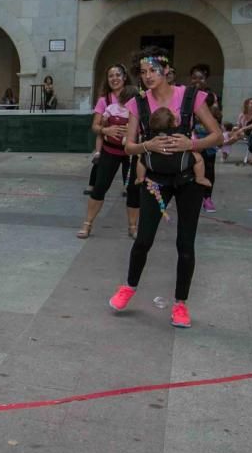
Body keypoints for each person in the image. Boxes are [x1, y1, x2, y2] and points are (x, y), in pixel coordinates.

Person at [108, 47, 222, 329]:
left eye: (153, 71)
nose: (148, 77)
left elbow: (218, 135)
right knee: (143, 239)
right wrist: (147, 145)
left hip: (187, 181)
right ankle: (129, 287)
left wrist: (191, 144)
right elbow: (129, 145)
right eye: (143, 72)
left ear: (167, 71)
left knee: (185, 244)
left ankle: (180, 305)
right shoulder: (138, 103)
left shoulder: (191, 97)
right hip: (155, 180)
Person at [77, 64, 139, 239]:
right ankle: (87, 224)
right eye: (111, 75)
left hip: (131, 153)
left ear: (124, 77)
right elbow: (95, 126)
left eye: (118, 75)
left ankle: (133, 227)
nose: (114, 78)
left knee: (134, 189)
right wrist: (106, 131)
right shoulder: (105, 100)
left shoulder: (135, 97)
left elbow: (144, 122)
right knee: (100, 187)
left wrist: (132, 131)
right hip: (110, 151)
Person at [133, 106, 211, 188]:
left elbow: (142, 143)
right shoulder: (179, 133)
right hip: (180, 163)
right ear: (174, 123)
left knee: (141, 160)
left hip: (155, 163)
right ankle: (200, 178)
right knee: (199, 158)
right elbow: (194, 145)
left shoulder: (152, 135)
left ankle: (140, 178)